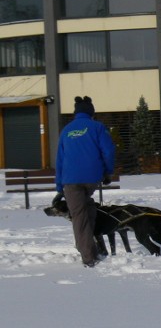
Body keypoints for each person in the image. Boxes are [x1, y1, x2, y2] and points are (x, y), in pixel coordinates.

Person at [54, 96, 116, 267]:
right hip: (91, 179)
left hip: (70, 181)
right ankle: (89, 247)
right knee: (87, 208)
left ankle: (88, 258)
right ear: (91, 113)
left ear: (76, 113)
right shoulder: (97, 127)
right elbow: (109, 151)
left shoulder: (66, 130)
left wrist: (59, 186)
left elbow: (60, 159)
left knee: (79, 216)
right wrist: (107, 172)